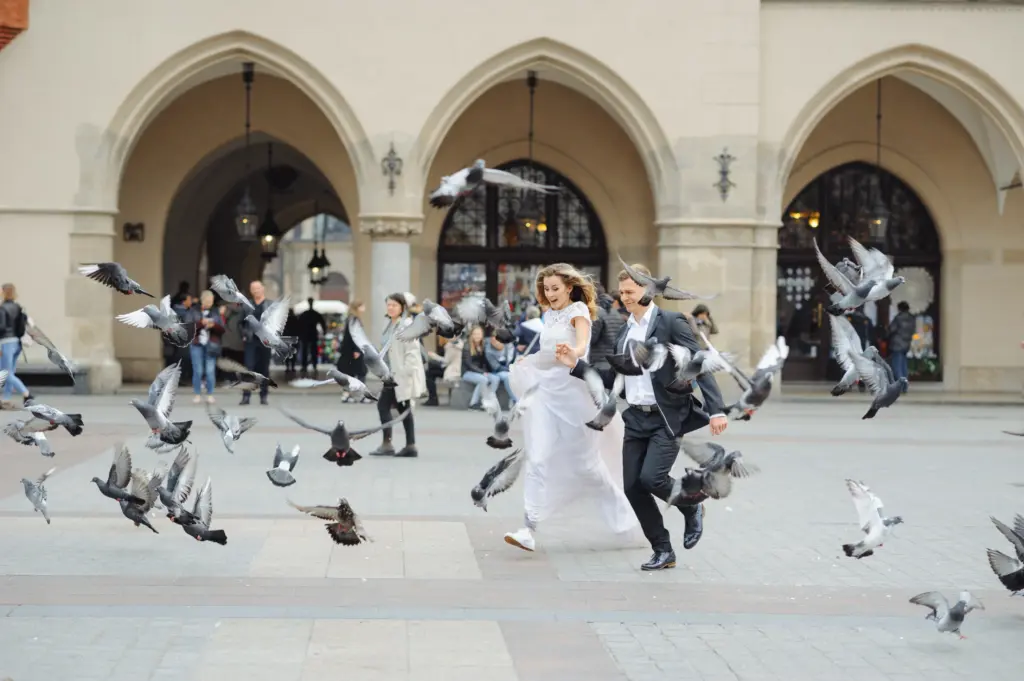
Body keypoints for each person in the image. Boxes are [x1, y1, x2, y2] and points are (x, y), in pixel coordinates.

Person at [557, 262, 728, 571]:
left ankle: (692, 505)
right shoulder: (624, 332)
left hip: (666, 417)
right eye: (622, 292)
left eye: (631, 292)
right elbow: (614, 378)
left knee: (653, 478)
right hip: (635, 418)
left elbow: (698, 364)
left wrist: (716, 410)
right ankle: (663, 549)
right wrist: (576, 365)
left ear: (648, 290)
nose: (625, 298)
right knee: (633, 487)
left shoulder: (671, 322)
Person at [503, 263, 640, 553]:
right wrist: (526, 362)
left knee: (588, 467)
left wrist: (571, 353)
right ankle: (528, 529)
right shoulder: (549, 315)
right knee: (537, 456)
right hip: (545, 393)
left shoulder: (579, 312)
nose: (550, 294)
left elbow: (581, 347)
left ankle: (626, 518)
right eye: (546, 289)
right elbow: (544, 353)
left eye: (555, 288)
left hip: (575, 394)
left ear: (568, 287)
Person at [369, 292, 425, 458]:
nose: (391, 307)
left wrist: (405, 373)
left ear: (402, 307)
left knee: (384, 406)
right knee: (403, 408)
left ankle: (388, 444)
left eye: (394, 305)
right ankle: (410, 445)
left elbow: (412, 352)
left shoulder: (406, 325)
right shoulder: (390, 325)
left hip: (399, 375)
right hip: (390, 374)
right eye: (389, 305)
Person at [186, 290, 225, 404]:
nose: (209, 303)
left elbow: (222, 329)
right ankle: (197, 394)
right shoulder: (193, 311)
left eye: (211, 301)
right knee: (198, 370)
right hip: (197, 344)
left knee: (210, 371)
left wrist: (213, 325)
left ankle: (210, 394)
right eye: (208, 301)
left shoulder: (215, 311)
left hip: (211, 344)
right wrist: (201, 323)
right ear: (202, 300)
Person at [240, 280, 273, 406]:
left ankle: (263, 396)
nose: (255, 291)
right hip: (251, 341)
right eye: (253, 289)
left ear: (262, 289)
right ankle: (246, 396)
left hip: (265, 341)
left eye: (258, 288)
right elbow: (240, 323)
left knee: (264, 369)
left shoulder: (270, 305)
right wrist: (244, 334)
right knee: (249, 368)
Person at [0, 283, 32, 407]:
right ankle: (6, 398)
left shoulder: (2, 309)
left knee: (5, 373)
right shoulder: (18, 307)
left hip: (5, 343)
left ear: (3, 292)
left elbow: (2, 327)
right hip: (17, 343)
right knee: (10, 372)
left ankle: (26, 393)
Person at [337, 300, 371, 403]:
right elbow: (354, 337)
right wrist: (357, 350)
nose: (364, 308)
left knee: (350, 374)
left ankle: (346, 394)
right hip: (354, 351)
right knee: (361, 372)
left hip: (349, 351)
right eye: (362, 306)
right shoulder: (354, 320)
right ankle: (361, 395)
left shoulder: (351, 319)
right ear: (357, 308)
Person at [461, 325, 498, 410]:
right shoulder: (467, 346)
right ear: (472, 335)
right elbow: (468, 364)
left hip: (480, 372)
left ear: (482, 335)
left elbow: (484, 362)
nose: (477, 336)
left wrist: (488, 371)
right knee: (483, 379)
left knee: (495, 378)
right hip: (467, 372)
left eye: (479, 334)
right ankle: (473, 404)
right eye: (475, 334)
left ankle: (488, 401)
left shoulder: (482, 345)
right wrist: (482, 372)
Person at [589, 284, 625, 372]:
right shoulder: (615, 313)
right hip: (614, 362)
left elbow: (591, 339)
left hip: (599, 363)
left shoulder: (597, 314)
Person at [887, 300, 915, 393]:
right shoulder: (912, 318)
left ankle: (901, 386)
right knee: (903, 366)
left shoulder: (898, 318)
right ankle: (905, 386)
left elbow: (892, 329)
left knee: (897, 366)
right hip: (906, 344)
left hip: (897, 344)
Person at [484, 332, 516, 406]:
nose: (495, 340)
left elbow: (513, 359)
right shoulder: (488, 350)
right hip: (495, 372)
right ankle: (515, 400)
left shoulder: (508, 346)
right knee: (507, 376)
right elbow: (496, 367)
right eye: (493, 338)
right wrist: (511, 370)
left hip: (508, 369)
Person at [298, 297, 326, 374]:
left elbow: (299, 324)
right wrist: (324, 332)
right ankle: (312, 365)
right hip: (310, 334)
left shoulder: (305, 314)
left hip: (307, 334)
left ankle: (308, 366)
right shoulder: (314, 314)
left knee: (309, 351)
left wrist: (299, 334)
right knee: (311, 351)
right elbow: (322, 323)